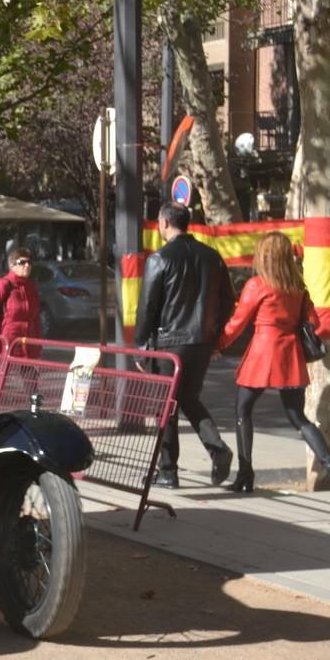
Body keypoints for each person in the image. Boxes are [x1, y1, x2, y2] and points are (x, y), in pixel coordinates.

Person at [217, 232, 330, 496]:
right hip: (290, 354)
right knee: (297, 417)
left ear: (265, 256)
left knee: (243, 410)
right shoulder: (297, 287)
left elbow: (237, 323)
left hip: (262, 354)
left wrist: (217, 344)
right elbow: (314, 322)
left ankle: (245, 474)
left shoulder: (257, 285)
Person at [135, 201, 235, 489]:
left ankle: (168, 470)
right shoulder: (212, 257)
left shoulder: (160, 259)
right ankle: (217, 448)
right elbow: (228, 300)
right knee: (189, 398)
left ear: (164, 223)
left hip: (169, 344)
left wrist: (141, 345)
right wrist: (214, 334)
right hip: (201, 341)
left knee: (165, 405)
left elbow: (147, 306)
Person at [0, 247, 42, 358]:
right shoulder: (3, 284)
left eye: (29, 262)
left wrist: (38, 346)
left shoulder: (32, 287)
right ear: (12, 265)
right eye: (22, 262)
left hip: (29, 348)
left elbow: (36, 319)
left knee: (30, 371)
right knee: (6, 370)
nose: (27, 265)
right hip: (7, 347)